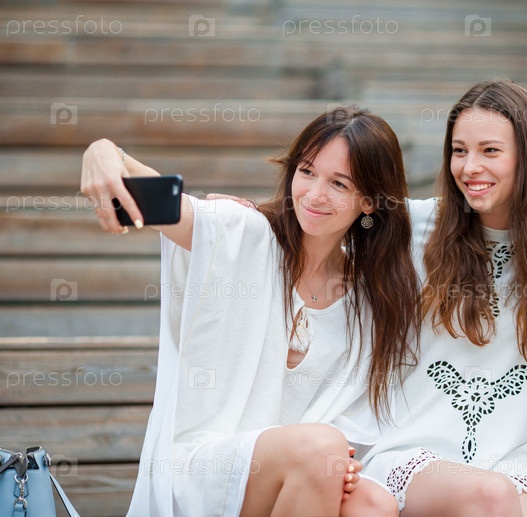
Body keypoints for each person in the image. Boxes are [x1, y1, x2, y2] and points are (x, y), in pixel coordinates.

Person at [79, 106, 421, 516]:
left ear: (368, 201)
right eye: (307, 171)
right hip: (205, 466)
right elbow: (162, 204)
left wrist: (337, 463)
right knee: (323, 449)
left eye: (338, 183)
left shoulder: (368, 300)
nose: (314, 193)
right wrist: (104, 152)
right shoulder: (245, 233)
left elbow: (352, 421)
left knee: (374, 503)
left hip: (303, 471)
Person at [361, 79, 527, 516]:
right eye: (459, 151)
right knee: (492, 496)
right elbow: (326, 218)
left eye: (490, 151)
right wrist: (246, 214)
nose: (470, 167)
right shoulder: (415, 227)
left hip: (512, 458)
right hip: (416, 450)